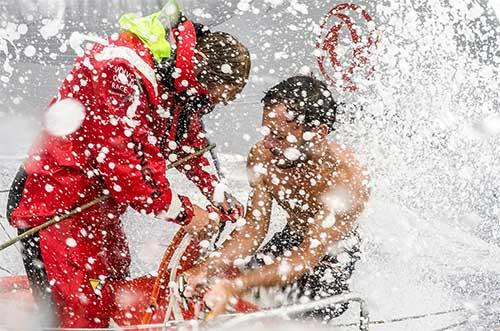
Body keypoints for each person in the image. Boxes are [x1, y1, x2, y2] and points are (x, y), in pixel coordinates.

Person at [6, 0, 250, 328]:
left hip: (98, 211)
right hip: (56, 208)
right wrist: (190, 215)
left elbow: (183, 137)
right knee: (78, 318)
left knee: (112, 300)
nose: (208, 107)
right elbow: (132, 179)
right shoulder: (122, 68)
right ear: (201, 66)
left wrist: (218, 192)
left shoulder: (174, 76)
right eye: (211, 99)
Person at [183, 76, 369, 321]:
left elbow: (307, 256)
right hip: (291, 238)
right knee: (227, 288)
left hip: (333, 254)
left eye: (279, 137)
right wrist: (205, 269)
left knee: (289, 311)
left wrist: (237, 286)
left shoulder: (347, 177)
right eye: (266, 132)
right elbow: (253, 230)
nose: (268, 143)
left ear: (318, 133)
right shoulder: (263, 156)